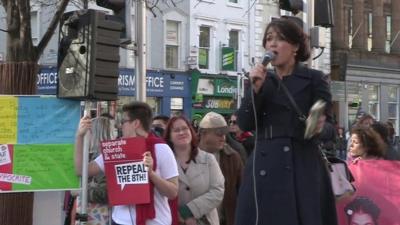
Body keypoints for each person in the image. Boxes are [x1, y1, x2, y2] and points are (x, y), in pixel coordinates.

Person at [234, 18, 337, 225]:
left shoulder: (314, 79)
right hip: (265, 163)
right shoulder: (261, 80)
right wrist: (254, 90)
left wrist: (318, 127)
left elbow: (331, 129)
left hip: (301, 162)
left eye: (280, 39)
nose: (272, 44)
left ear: (295, 47)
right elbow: (244, 123)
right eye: (269, 39)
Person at [75, 101, 179, 225]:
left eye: (123, 122)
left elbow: (173, 192)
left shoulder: (161, 149)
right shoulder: (116, 148)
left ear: (135, 123)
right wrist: (79, 137)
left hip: (155, 221)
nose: (120, 126)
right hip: (120, 221)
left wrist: (151, 174)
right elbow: (81, 170)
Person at [164, 116, 225, 225]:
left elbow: (218, 191)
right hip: (173, 220)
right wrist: (178, 215)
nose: (182, 132)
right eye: (176, 130)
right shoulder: (163, 162)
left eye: (185, 128)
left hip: (205, 221)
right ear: (169, 137)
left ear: (191, 132)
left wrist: (189, 211)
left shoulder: (208, 159)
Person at [197, 112, 243, 225]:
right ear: (203, 133)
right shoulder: (188, 155)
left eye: (225, 134)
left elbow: (243, 191)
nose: (223, 138)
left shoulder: (232, 157)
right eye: (218, 133)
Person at [72, 116, 114, 225]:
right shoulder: (96, 155)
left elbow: (106, 193)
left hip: (98, 216)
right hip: (95, 215)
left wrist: (81, 192)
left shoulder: (105, 156)